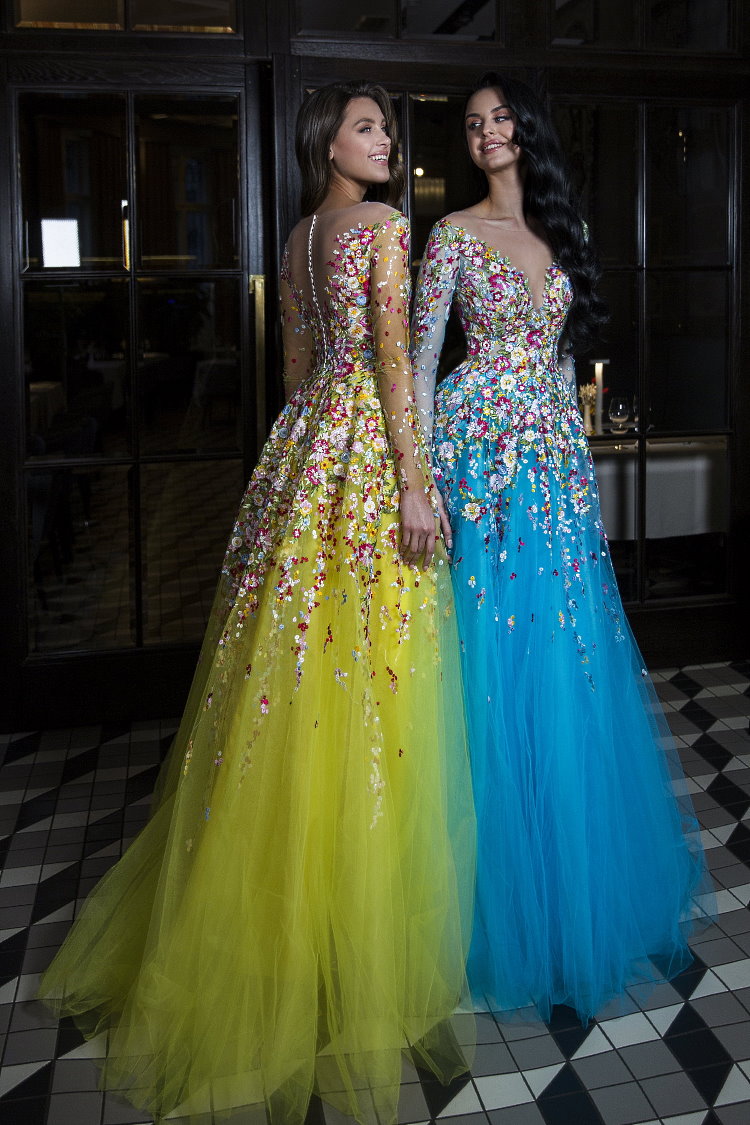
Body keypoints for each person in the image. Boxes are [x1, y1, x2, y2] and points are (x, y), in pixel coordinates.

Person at [39, 82, 475, 1125]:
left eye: (385, 128)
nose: (385, 140)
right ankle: (351, 938)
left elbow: (294, 371)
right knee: (374, 686)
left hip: (304, 451)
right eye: (367, 127)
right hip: (365, 458)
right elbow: (393, 364)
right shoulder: (382, 226)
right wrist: (415, 484)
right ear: (326, 140)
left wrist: (304, 464)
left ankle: (289, 923)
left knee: (292, 680)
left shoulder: (295, 239)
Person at [410, 72, 711, 1025]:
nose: (487, 132)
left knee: (563, 657)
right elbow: (419, 365)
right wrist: (418, 482)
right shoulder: (451, 235)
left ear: (527, 129)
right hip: (477, 455)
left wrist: (568, 453)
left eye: (501, 117)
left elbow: (561, 356)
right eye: (473, 123)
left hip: (551, 458)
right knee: (488, 655)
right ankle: (482, 899)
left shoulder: (561, 230)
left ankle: (560, 877)